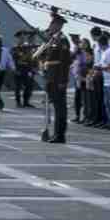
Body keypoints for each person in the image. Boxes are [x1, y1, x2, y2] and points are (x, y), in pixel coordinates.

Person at [37, 11, 72, 143]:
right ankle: (55, 133)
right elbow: (45, 57)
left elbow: (65, 62)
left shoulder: (62, 40)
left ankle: (60, 134)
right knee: (55, 106)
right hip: (50, 77)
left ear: (58, 25)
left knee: (59, 107)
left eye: (52, 23)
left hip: (57, 78)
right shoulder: (52, 40)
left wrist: (63, 80)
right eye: (51, 23)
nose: (50, 26)